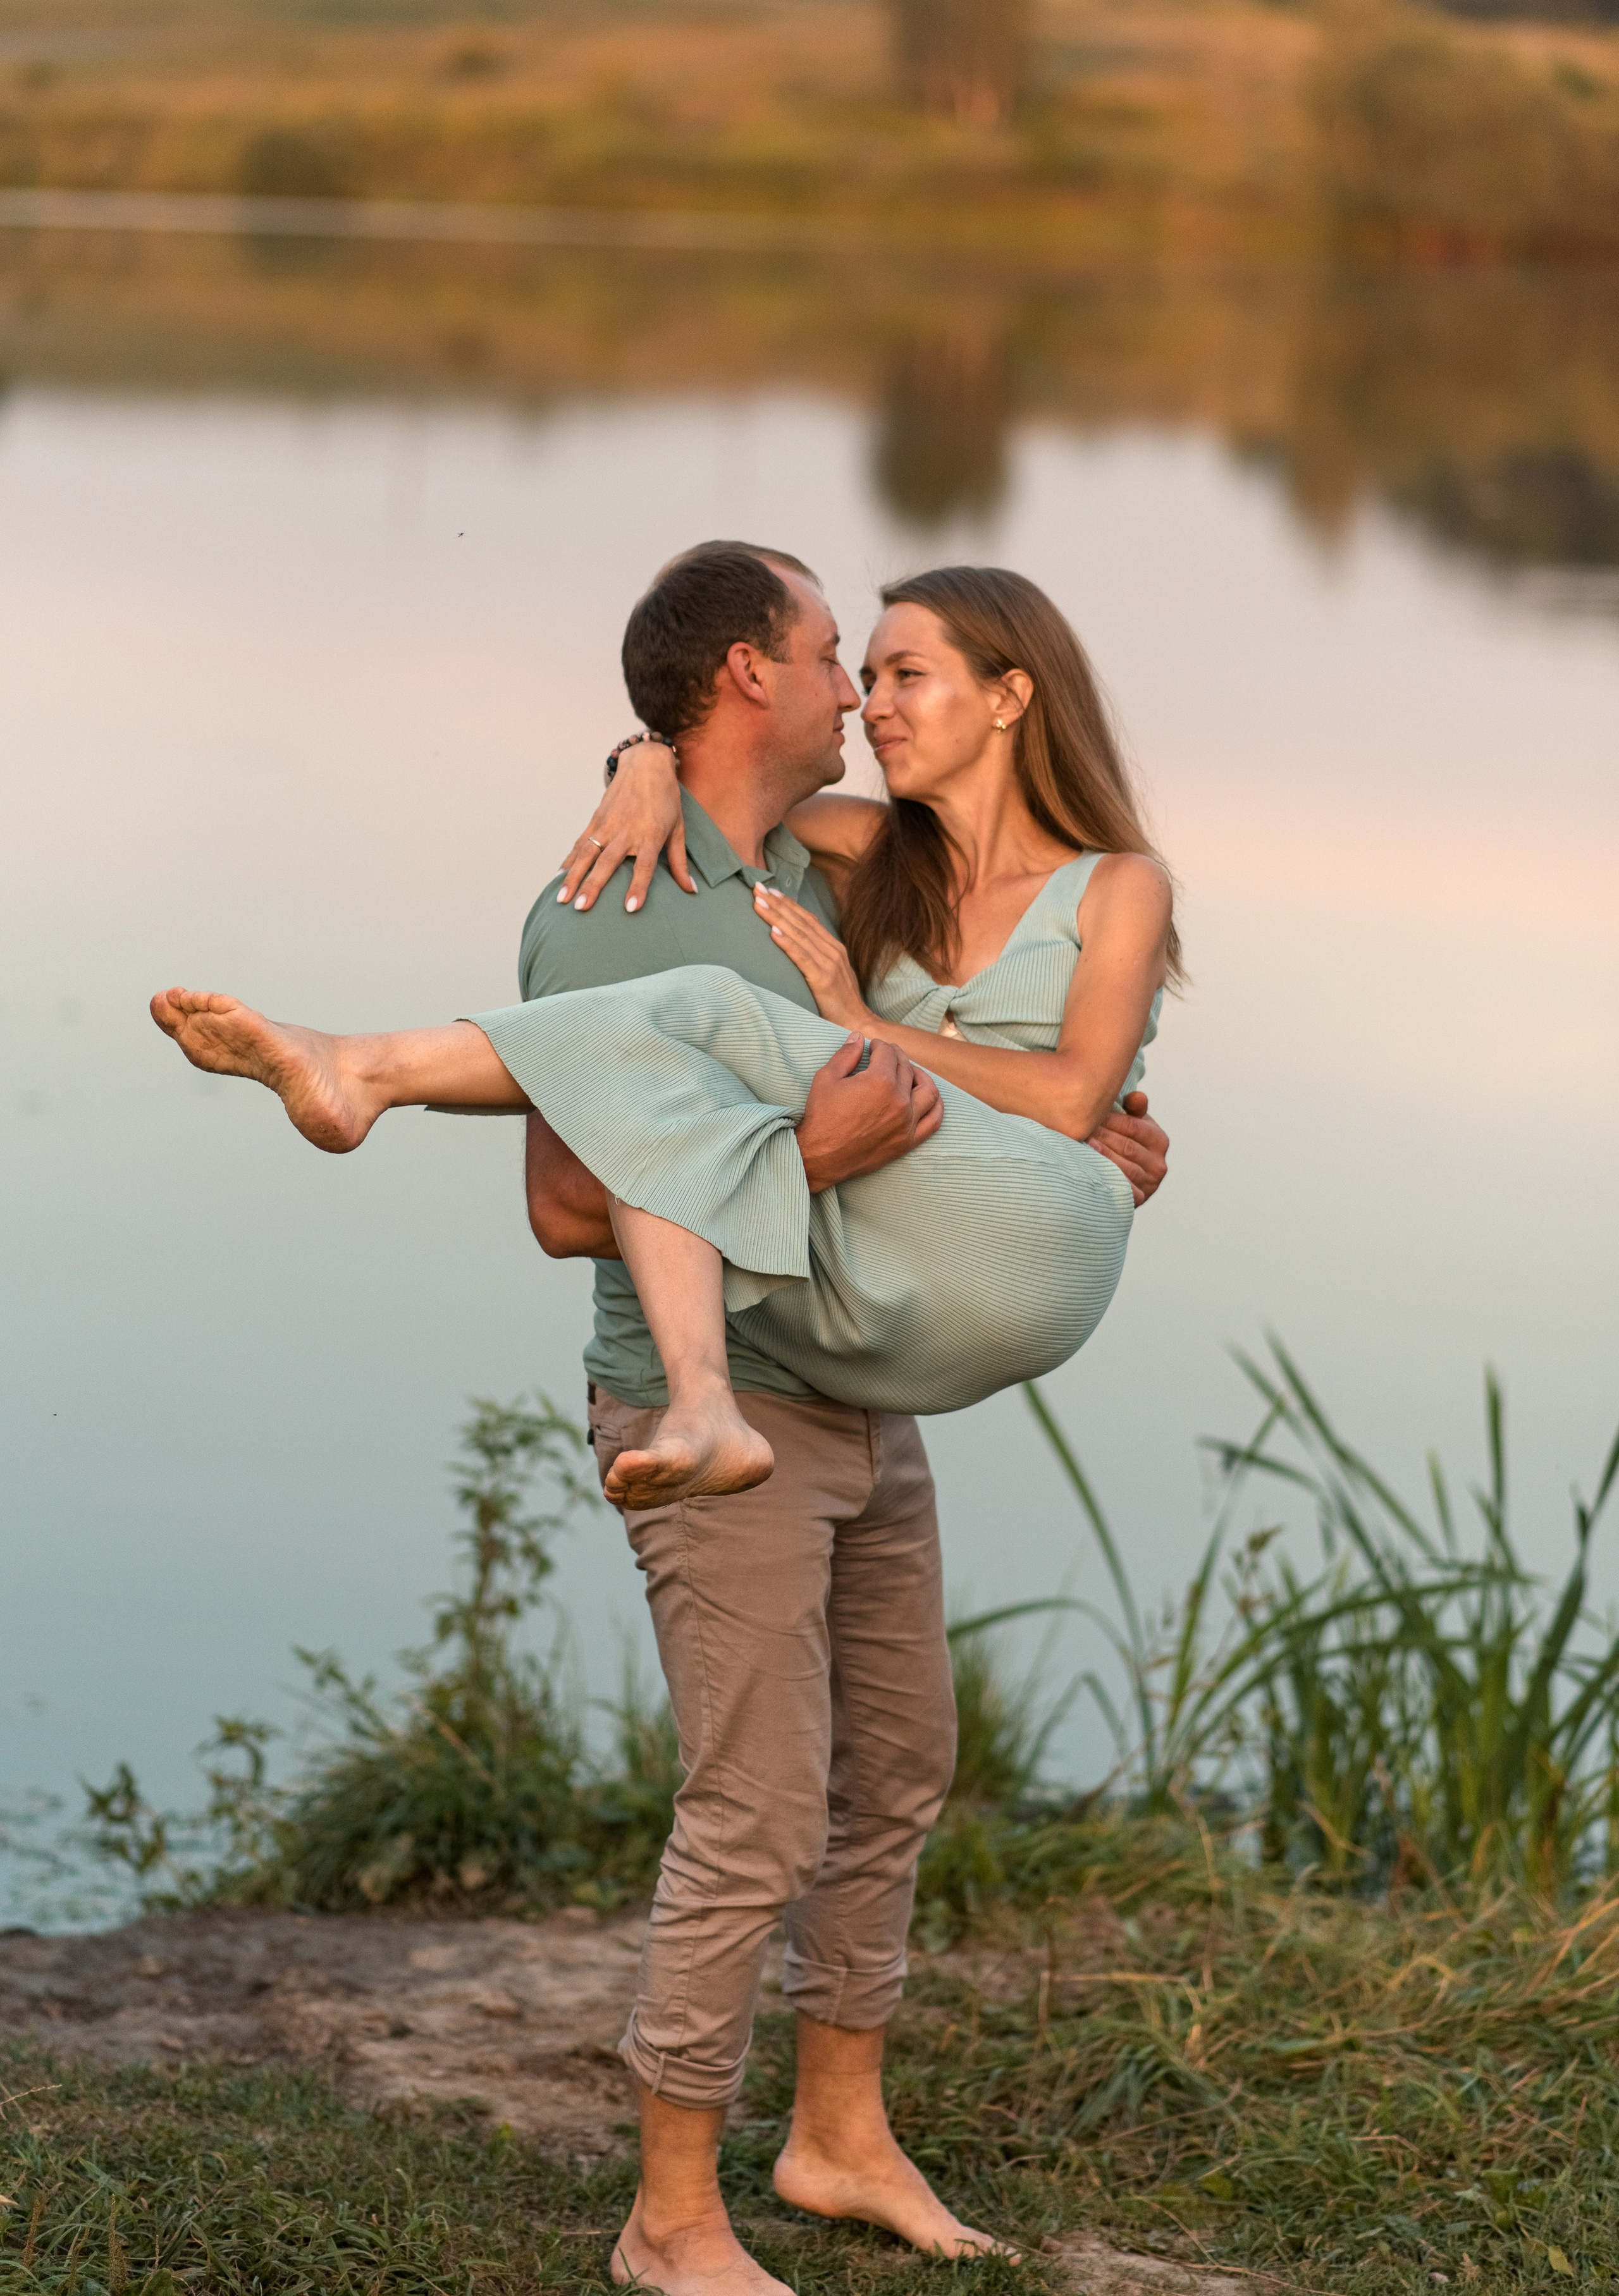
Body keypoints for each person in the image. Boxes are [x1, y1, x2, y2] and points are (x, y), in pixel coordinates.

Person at [150, 543, 1174, 2294]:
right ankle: (671, 2221)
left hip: (855, 1382)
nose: (858, 690)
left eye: (890, 666)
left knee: (893, 1776)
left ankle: (838, 2141)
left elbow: (1028, 1061)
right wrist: (814, 1140)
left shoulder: (812, 863)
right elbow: (568, 1205)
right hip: (723, 1398)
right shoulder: (615, 899)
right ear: (754, 674)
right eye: (842, 655)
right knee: (755, 1810)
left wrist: (1061, 1147)